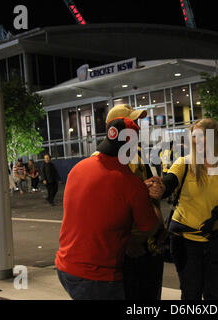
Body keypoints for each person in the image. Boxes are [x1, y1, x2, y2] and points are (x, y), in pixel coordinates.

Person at [55, 116, 161, 300]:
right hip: (99, 277)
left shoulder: (78, 169)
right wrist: (150, 200)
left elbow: (103, 201)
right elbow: (150, 227)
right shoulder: (131, 184)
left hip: (66, 268)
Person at [151, 118, 218, 300]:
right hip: (185, 241)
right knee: (191, 292)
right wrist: (159, 188)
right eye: (194, 137)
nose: (196, 141)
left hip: (215, 238)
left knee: (214, 293)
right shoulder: (183, 164)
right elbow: (169, 184)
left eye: (201, 137)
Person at [102, 104, 166, 300]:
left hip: (149, 243)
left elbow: (139, 191)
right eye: (131, 123)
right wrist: (130, 242)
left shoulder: (136, 153)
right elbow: (112, 206)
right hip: (134, 247)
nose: (137, 127)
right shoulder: (113, 160)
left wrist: (156, 188)